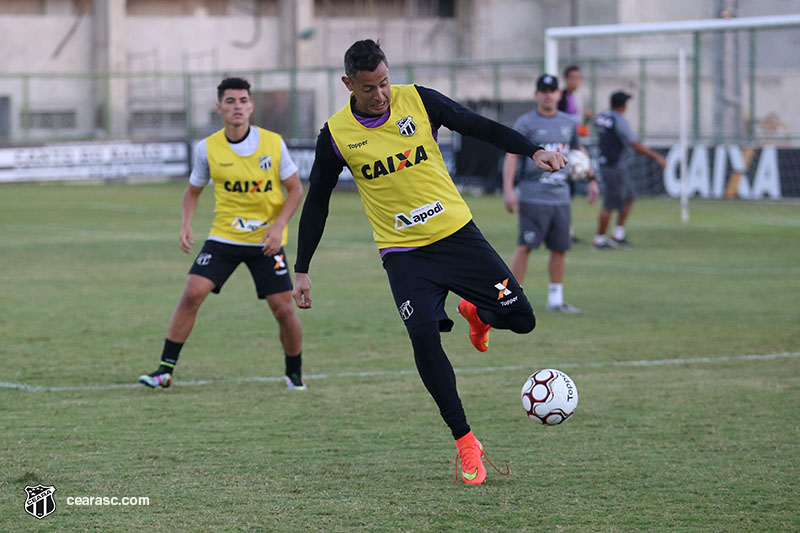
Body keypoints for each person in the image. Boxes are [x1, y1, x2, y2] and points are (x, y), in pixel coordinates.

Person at [291, 39, 566, 486]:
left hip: (458, 237)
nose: (380, 95)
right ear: (347, 85)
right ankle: (466, 442)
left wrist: (532, 150)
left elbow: (479, 126)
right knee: (423, 337)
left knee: (522, 319)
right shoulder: (337, 135)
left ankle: (476, 311)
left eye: (383, 83)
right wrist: (302, 267)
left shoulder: (417, 100)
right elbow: (317, 200)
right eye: (367, 88)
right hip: (404, 256)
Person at [139, 77, 307, 390]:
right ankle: (164, 371)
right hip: (224, 238)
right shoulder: (208, 148)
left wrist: (278, 227)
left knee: (284, 310)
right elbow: (192, 192)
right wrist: (186, 224)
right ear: (219, 108)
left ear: (251, 106)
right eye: (230, 101)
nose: (237, 107)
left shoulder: (273, 143)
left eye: (243, 100)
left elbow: (296, 190)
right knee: (191, 294)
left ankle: (294, 373)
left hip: (265, 243)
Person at [502, 74, 599, 314]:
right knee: (525, 245)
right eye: (543, 90)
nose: (548, 94)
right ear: (536, 95)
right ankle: (512, 301)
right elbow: (512, 155)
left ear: (558, 94)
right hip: (533, 196)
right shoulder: (526, 123)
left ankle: (556, 299)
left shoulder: (569, 122)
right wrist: (508, 189)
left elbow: (579, 151)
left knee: (560, 247)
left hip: (561, 198)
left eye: (552, 90)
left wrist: (591, 179)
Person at [592, 91, 666, 249]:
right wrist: (656, 157)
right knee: (610, 204)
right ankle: (599, 240)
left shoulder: (602, 116)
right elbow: (634, 143)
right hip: (613, 167)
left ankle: (617, 235)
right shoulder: (619, 120)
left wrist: (589, 116)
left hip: (610, 165)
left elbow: (595, 122)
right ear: (623, 106)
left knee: (629, 197)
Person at [557, 65, 593, 243]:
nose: (576, 81)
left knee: (567, 193)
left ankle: (566, 230)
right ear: (566, 79)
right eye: (573, 78)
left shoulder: (571, 98)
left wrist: (586, 120)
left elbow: (576, 129)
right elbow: (562, 127)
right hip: (563, 152)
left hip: (573, 148)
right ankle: (563, 230)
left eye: (578, 78)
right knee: (561, 192)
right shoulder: (562, 98)